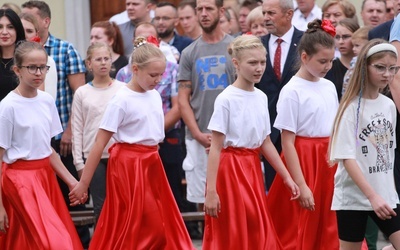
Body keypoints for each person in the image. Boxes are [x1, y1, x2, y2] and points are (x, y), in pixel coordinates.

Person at [69, 36, 194, 250]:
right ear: (135, 69)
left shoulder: (153, 95)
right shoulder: (121, 99)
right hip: (129, 165)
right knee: (137, 221)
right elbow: (99, 143)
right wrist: (83, 183)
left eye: (161, 75)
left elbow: (154, 132)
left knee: (158, 220)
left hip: (152, 162)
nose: (158, 80)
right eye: (153, 75)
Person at [203, 34, 300, 250]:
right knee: (234, 228)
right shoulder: (226, 98)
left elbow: (265, 141)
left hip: (252, 168)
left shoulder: (261, 96)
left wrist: (286, 177)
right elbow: (216, 148)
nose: (259, 68)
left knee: (256, 224)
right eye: (252, 63)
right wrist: (211, 192)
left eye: (262, 62)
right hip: (229, 171)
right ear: (236, 63)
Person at [0, 41, 84, 250]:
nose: (39, 73)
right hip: (20, 180)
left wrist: (73, 182)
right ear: (17, 69)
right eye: (32, 67)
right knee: (54, 241)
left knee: (29, 240)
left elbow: (48, 150)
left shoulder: (46, 101)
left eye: (43, 67)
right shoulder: (8, 107)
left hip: (45, 177)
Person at [266, 19, 339, 250]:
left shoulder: (327, 85)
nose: (327, 66)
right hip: (304, 159)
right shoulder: (292, 90)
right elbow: (287, 141)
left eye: (330, 61)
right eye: (322, 61)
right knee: (300, 224)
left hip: (329, 159)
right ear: (305, 57)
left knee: (330, 222)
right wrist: (301, 183)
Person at [21, 1, 89, 247]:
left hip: (60, 138)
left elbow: (79, 95)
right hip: (27, 151)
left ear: (45, 21)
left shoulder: (64, 49)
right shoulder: (20, 57)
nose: (24, 22)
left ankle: (78, 241)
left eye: (29, 18)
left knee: (65, 200)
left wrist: (70, 130)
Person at [329, 39, 400, 250]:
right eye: (380, 67)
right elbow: (347, 158)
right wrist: (372, 196)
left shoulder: (388, 105)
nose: (387, 74)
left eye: (392, 68)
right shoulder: (350, 108)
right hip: (354, 198)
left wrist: (388, 192)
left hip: (385, 196)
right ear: (364, 67)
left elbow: (389, 153)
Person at [178, 0, 236, 214]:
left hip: (232, 137)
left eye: (209, 9)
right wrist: (197, 133)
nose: (203, 14)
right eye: (199, 9)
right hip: (199, 138)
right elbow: (183, 99)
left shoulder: (235, 47)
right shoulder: (189, 52)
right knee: (205, 202)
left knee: (233, 198)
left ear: (221, 12)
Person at [71, 42, 125, 223]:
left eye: (106, 59)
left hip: (119, 154)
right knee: (101, 207)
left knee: (123, 203)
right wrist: (79, 164)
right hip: (92, 156)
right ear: (89, 64)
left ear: (111, 62)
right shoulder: (82, 93)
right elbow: (77, 129)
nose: (103, 63)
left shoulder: (123, 89)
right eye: (98, 59)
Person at [258, 0, 303, 190]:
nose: (266, 18)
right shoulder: (257, 45)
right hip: (269, 133)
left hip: (299, 131)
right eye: (264, 13)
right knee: (275, 191)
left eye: (271, 13)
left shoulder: (305, 42)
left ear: (289, 14)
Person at [19, 12, 58, 99]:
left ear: (36, 34)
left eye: (29, 31)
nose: (25, 35)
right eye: (21, 31)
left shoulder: (48, 61)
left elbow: (49, 97)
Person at [325, 18, 359, 100]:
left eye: (346, 37)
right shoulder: (329, 67)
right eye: (337, 37)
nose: (340, 42)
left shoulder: (365, 66)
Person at [0, 8, 25, 101]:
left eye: (10, 27)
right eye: (0, 27)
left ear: (17, 30)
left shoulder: (26, 60)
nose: (4, 32)